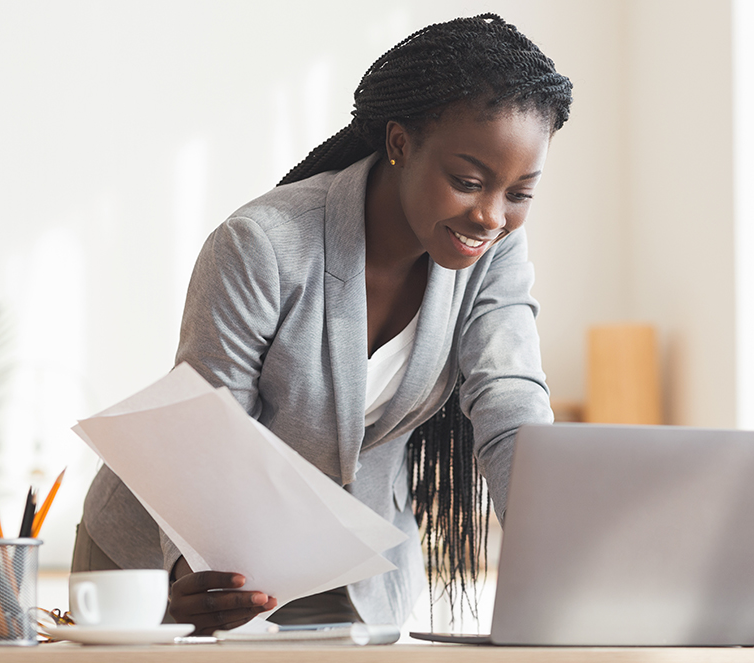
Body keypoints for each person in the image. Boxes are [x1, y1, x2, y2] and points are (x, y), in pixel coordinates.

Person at [73, 13, 573, 635]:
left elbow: (510, 400)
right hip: (177, 561)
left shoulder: (493, 254)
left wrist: (562, 556)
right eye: (467, 182)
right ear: (399, 143)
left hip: (357, 575)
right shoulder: (263, 245)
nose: (491, 216)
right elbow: (206, 431)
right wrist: (190, 572)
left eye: (520, 193)